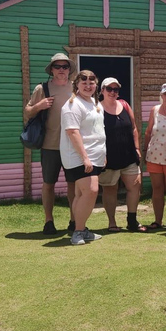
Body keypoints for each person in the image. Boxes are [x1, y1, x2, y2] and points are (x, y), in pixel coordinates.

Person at [23, 53, 76, 235]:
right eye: (58, 67)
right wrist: (40, 105)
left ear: (70, 69)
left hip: (72, 146)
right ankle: (48, 221)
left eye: (65, 67)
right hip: (50, 144)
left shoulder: (76, 87)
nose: (62, 70)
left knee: (73, 184)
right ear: (51, 69)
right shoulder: (42, 88)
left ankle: (74, 220)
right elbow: (28, 112)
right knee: (49, 183)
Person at [60, 70, 106, 245]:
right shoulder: (73, 105)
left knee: (81, 194)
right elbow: (72, 132)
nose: (88, 85)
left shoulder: (95, 104)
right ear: (76, 84)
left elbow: (98, 131)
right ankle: (78, 232)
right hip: (78, 157)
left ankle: (81, 228)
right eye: (84, 82)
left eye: (91, 82)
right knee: (91, 190)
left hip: (95, 155)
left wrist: (103, 154)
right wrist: (85, 158)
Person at [97, 77, 147, 233]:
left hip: (128, 155)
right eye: (109, 89)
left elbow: (133, 128)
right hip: (108, 157)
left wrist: (137, 148)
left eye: (115, 89)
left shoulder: (124, 104)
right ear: (102, 90)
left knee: (134, 187)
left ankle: (132, 221)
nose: (113, 92)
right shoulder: (97, 109)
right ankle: (112, 223)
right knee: (110, 189)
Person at [144, 83, 166, 229]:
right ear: (161, 95)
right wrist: (145, 150)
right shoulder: (155, 110)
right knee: (157, 189)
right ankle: (157, 221)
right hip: (154, 156)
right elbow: (148, 132)